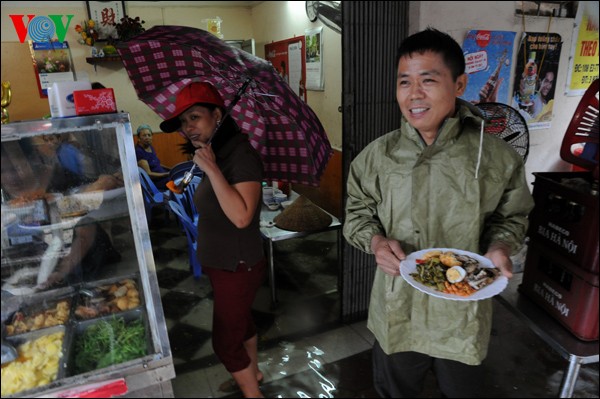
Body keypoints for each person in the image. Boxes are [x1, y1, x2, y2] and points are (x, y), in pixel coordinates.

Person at [343, 28, 534, 398]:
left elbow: (512, 217)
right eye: (404, 82)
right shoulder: (377, 157)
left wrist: (501, 247)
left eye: (428, 80)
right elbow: (357, 214)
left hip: (462, 314)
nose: (413, 94)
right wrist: (376, 241)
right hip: (398, 309)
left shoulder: (495, 156)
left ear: (459, 83)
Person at [159, 81, 266, 398]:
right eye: (183, 122)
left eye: (194, 117)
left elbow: (243, 216)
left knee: (225, 341)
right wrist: (207, 165)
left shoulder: (240, 155)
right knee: (241, 325)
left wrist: (213, 170)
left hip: (239, 264)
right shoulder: (216, 152)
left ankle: (252, 394)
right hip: (223, 264)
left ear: (217, 115)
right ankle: (253, 374)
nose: (187, 127)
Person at [135, 124, 170, 190]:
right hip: (156, 183)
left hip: (163, 177)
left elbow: (156, 164)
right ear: (139, 138)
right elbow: (149, 174)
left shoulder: (150, 147)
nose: (147, 137)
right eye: (144, 135)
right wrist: (166, 174)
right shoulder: (139, 152)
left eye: (149, 135)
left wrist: (171, 169)